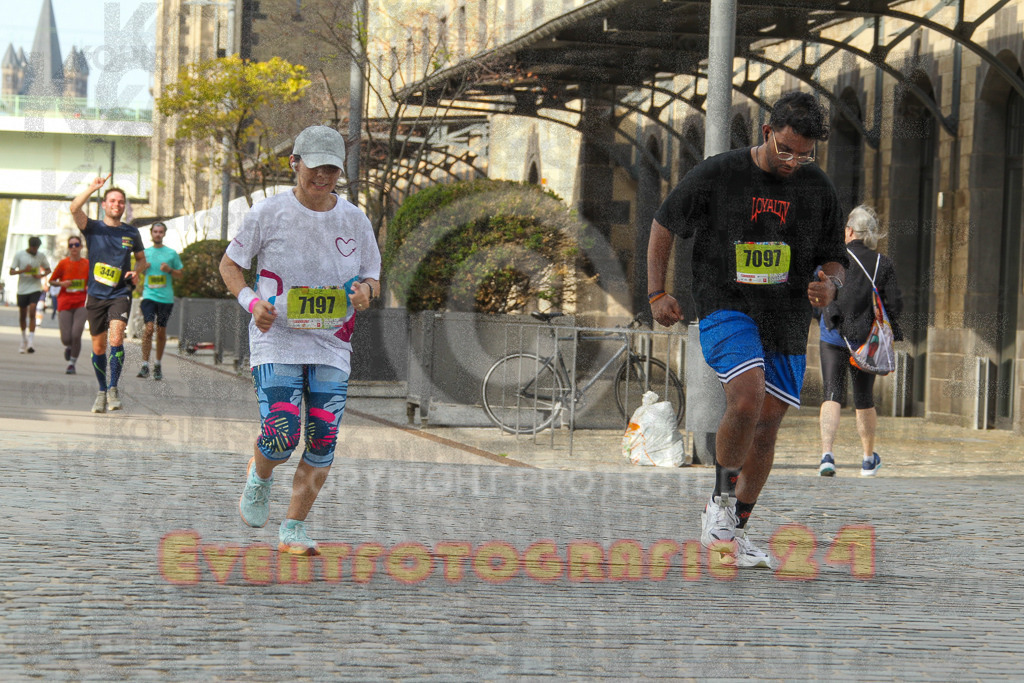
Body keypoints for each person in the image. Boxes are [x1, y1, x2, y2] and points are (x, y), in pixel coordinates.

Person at [647, 92, 847, 569]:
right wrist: (656, 293)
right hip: (726, 304)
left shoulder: (817, 187)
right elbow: (663, 224)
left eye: (804, 155)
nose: (793, 161)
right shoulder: (720, 173)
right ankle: (718, 502)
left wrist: (830, 285)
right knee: (746, 397)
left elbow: (834, 257)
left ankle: (734, 529)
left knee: (767, 424)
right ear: (766, 132)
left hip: (787, 317)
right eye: (785, 149)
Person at [219, 125, 381, 556]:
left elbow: (372, 277)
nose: (323, 176)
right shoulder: (268, 213)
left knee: (323, 437)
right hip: (277, 338)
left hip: (332, 342)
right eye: (315, 167)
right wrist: (252, 302)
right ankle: (260, 474)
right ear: (295, 163)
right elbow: (229, 266)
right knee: (281, 433)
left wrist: (366, 292)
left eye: (332, 169)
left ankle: (293, 527)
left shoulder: (355, 219)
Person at [816, 205, 903, 477]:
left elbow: (818, 294)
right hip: (866, 340)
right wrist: (892, 331)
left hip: (832, 335)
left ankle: (827, 456)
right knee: (864, 398)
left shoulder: (833, 261)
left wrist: (826, 316)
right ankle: (867, 460)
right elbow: (894, 304)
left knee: (832, 394)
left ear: (850, 231)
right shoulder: (882, 264)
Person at [70, 177, 147, 413]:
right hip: (96, 295)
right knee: (99, 347)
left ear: (124, 206)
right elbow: (74, 208)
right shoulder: (92, 228)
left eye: (121, 201)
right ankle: (102, 390)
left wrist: (137, 271)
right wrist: (92, 188)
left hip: (120, 293)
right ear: (104, 204)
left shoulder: (131, 232)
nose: (117, 204)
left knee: (116, 338)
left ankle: (113, 388)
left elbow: (142, 259)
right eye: (112, 200)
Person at [137, 222, 184, 381]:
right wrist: (142, 268)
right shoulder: (145, 253)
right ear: (151, 233)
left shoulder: (171, 253)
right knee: (149, 328)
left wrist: (170, 270)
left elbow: (180, 274)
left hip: (166, 298)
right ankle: (145, 364)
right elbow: (135, 272)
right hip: (149, 296)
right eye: (155, 231)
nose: (157, 234)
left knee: (161, 331)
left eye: (160, 232)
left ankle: (157, 364)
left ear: (164, 234)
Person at [48, 235, 91, 374]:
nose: (74, 247)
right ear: (68, 248)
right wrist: (62, 283)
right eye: (71, 245)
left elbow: (93, 281)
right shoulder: (63, 263)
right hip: (65, 302)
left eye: (76, 244)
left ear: (81, 247)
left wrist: (89, 287)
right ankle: (69, 347)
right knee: (66, 338)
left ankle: (72, 363)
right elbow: (51, 280)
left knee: (76, 334)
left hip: (82, 302)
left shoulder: (87, 264)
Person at [10, 236, 50, 353]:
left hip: (35, 287)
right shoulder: (20, 255)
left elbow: (48, 269)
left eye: (37, 248)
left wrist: (40, 276)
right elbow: (11, 271)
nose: (35, 250)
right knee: (22, 315)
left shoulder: (41, 256)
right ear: (29, 246)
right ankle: (23, 339)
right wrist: (23, 270)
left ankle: (31, 341)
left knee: (32, 311)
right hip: (22, 289)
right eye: (33, 248)